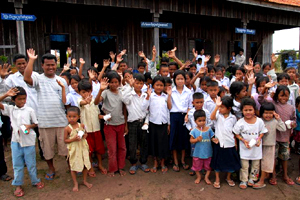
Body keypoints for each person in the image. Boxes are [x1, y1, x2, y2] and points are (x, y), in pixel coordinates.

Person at [24, 48, 69, 181]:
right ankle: (51, 168)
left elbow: (65, 101)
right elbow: (27, 77)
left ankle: (71, 166)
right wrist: (31, 60)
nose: (50, 67)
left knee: (66, 148)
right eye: (47, 65)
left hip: (61, 121)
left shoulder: (62, 81)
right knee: (47, 149)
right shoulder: (38, 78)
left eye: (53, 64)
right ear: (42, 65)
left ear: (56, 65)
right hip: (45, 121)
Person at [0, 87, 44, 197]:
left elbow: (35, 123)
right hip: (16, 141)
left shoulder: (30, 110)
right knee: (17, 164)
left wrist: (29, 126)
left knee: (31, 163)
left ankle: (35, 180)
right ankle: (18, 184)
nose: (22, 101)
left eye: (24, 99)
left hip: (28, 141)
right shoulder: (10, 109)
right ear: (14, 100)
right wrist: (6, 95)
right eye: (19, 99)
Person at [258, 85, 296, 185]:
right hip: (273, 137)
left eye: (286, 96)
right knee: (272, 158)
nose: (284, 98)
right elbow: (261, 100)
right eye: (281, 95)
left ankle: (285, 175)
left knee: (285, 157)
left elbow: (294, 119)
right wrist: (265, 88)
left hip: (285, 136)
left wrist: (293, 124)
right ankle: (273, 175)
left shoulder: (291, 107)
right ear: (277, 96)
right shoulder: (273, 104)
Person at [94, 71, 128, 177]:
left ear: (119, 82)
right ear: (108, 83)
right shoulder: (105, 93)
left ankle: (121, 167)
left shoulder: (122, 92)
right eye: (112, 82)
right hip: (109, 126)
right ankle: (113, 168)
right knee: (112, 148)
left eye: (116, 82)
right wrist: (100, 89)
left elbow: (124, 109)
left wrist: (126, 124)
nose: (114, 84)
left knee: (122, 147)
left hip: (121, 123)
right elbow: (96, 102)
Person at [233, 98, 268, 189]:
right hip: (245, 147)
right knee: (244, 165)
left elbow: (262, 131)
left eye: (250, 110)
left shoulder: (259, 121)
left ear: (254, 110)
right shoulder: (240, 122)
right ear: (242, 111)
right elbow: (236, 133)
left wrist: (259, 139)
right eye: (245, 110)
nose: (248, 112)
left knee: (255, 165)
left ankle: (252, 179)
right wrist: (243, 140)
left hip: (256, 148)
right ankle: (244, 180)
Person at [142, 76, 172, 173]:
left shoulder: (165, 96)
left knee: (163, 144)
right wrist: (148, 96)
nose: (159, 87)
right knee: (154, 144)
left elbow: (168, 109)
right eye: (157, 85)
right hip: (153, 123)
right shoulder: (151, 96)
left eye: (161, 85)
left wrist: (168, 124)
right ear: (153, 85)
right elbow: (144, 108)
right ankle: (155, 163)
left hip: (163, 123)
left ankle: (162, 163)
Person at [253, 102, 286, 189]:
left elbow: (283, 128)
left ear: (274, 113)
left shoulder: (275, 121)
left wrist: (279, 119)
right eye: (266, 113)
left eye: (271, 113)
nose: (268, 115)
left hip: (270, 145)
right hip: (259, 145)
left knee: (266, 163)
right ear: (262, 113)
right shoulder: (259, 121)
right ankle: (260, 177)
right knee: (259, 163)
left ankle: (262, 181)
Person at [77, 79, 106, 177]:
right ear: (79, 92)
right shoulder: (79, 100)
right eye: (83, 92)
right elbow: (82, 103)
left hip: (96, 129)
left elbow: (98, 114)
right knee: (89, 150)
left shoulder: (95, 100)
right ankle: (91, 167)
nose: (86, 94)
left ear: (91, 90)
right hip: (87, 131)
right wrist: (86, 101)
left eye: (88, 91)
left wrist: (104, 117)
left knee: (99, 149)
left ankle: (100, 165)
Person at [122, 73, 150, 174]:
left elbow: (148, 111)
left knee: (144, 143)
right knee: (132, 144)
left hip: (143, 122)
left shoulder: (145, 95)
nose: (139, 85)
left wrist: (146, 122)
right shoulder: (130, 93)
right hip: (132, 123)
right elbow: (124, 100)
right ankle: (133, 163)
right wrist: (130, 86)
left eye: (141, 83)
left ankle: (143, 162)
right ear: (134, 83)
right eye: (137, 83)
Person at [210, 96, 240, 189]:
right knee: (217, 162)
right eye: (220, 107)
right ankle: (217, 179)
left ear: (229, 108)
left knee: (230, 162)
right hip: (219, 143)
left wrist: (235, 143)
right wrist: (216, 106)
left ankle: (228, 177)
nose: (220, 109)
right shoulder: (218, 115)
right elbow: (211, 117)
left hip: (229, 143)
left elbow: (234, 131)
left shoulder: (233, 118)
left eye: (222, 107)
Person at [64, 106, 92, 192]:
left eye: (74, 116)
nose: (71, 119)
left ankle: (84, 180)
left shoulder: (81, 125)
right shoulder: (67, 128)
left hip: (82, 147)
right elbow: (65, 140)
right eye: (69, 116)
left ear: (78, 117)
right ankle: (75, 183)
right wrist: (73, 139)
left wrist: (84, 135)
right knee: (73, 166)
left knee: (85, 164)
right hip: (74, 149)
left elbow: (86, 134)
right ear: (66, 116)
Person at [169, 70, 192, 172]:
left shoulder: (189, 92)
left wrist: (187, 115)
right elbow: (169, 107)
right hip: (174, 116)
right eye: (178, 79)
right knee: (174, 139)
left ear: (185, 80)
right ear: (174, 80)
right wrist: (169, 95)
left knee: (183, 139)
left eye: (182, 79)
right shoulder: (171, 91)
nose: (180, 81)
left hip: (184, 116)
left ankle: (182, 161)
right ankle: (175, 161)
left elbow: (190, 106)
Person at [190, 110, 216, 184]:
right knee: (196, 166)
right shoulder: (194, 131)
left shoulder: (209, 129)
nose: (202, 122)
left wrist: (214, 139)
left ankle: (206, 177)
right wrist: (196, 139)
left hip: (207, 152)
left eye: (204, 120)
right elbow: (191, 140)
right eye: (199, 121)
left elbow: (212, 137)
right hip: (198, 153)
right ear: (195, 121)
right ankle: (199, 176)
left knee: (208, 166)